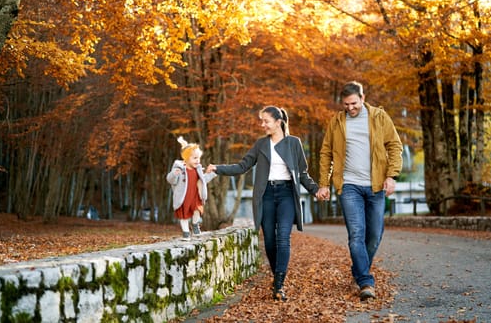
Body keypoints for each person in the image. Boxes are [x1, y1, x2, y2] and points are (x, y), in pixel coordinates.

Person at [206, 106, 319, 301]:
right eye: (262, 121)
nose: (262, 125)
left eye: (266, 121)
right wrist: (217, 168)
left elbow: (301, 173)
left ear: (278, 122)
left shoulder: (293, 143)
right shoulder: (261, 145)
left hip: (286, 194)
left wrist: (316, 190)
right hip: (266, 195)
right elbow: (242, 166)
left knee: (283, 237)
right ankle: (277, 276)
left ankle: (279, 284)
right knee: (269, 241)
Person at [316, 81, 403, 301]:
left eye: (354, 103)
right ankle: (365, 281)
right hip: (349, 186)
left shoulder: (379, 117)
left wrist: (391, 176)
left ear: (362, 98)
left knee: (374, 236)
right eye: (346, 104)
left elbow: (394, 145)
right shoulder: (337, 122)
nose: (350, 108)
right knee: (356, 234)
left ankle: (358, 270)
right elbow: (326, 153)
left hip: (375, 185)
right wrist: (324, 183)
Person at [166, 136, 216, 240]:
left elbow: (203, 180)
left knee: (197, 211)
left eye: (198, 158)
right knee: (183, 216)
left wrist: (210, 174)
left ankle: (195, 225)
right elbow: (170, 180)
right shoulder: (179, 169)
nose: (198, 161)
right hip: (183, 197)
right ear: (186, 158)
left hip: (195, 196)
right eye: (194, 158)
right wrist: (174, 174)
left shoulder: (197, 170)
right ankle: (186, 232)